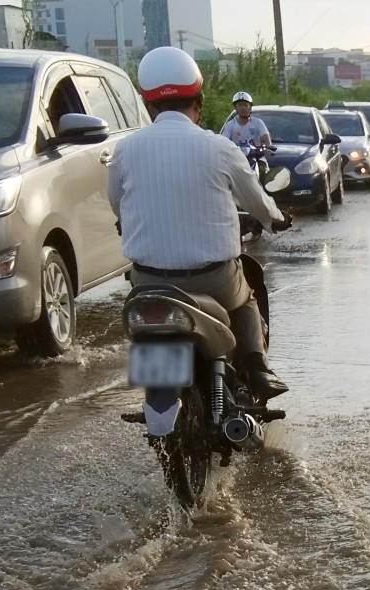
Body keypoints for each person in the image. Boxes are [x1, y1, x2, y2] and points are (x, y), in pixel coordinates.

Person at [108, 47, 292, 401]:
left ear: (149, 107)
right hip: (215, 279)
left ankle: (157, 394)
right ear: (200, 102)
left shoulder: (126, 150)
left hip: (147, 282)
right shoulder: (219, 148)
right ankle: (257, 368)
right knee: (247, 298)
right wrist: (276, 219)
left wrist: (125, 222)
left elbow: (117, 202)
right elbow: (257, 201)